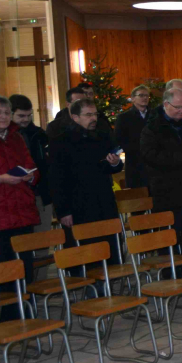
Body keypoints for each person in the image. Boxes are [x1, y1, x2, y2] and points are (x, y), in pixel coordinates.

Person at [140, 87, 182, 264]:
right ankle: (171, 270)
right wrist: (181, 157)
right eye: (178, 107)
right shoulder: (153, 127)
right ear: (166, 104)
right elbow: (150, 156)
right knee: (172, 235)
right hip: (168, 192)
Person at [49, 98, 123, 257]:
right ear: (75, 117)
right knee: (84, 252)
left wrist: (115, 163)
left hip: (103, 201)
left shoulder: (102, 137)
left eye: (95, 114)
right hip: (77, 204)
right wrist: (63, 211)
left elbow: (112, 166)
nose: (94, 118)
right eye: (88, 115)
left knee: (109, 247)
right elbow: (57, 179)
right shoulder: (60, 142)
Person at [0, 94, 40, 319]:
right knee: (2, 271)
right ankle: (4, 321)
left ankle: (24, 317)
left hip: (22, 212)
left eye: (6, 113)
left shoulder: (16, 136)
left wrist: (31, 175)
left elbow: (30, 164)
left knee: (24, 267)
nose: (3, 117)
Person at [10, 95, 52, 230]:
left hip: (40, 193)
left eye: (29, 115)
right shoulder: (4, 136)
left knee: (43, 236)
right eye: (21, 116)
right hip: (13, 196)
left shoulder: (39, 134)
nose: (26, 119)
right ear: (10, 114)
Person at [113, 85, 153, 188]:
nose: (145, 98)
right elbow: (119, 140)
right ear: (133, 98)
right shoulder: (124, 118)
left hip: (154, 163)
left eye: (147, 95)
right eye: (141, 95)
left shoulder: (155, 115)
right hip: (135, 164)